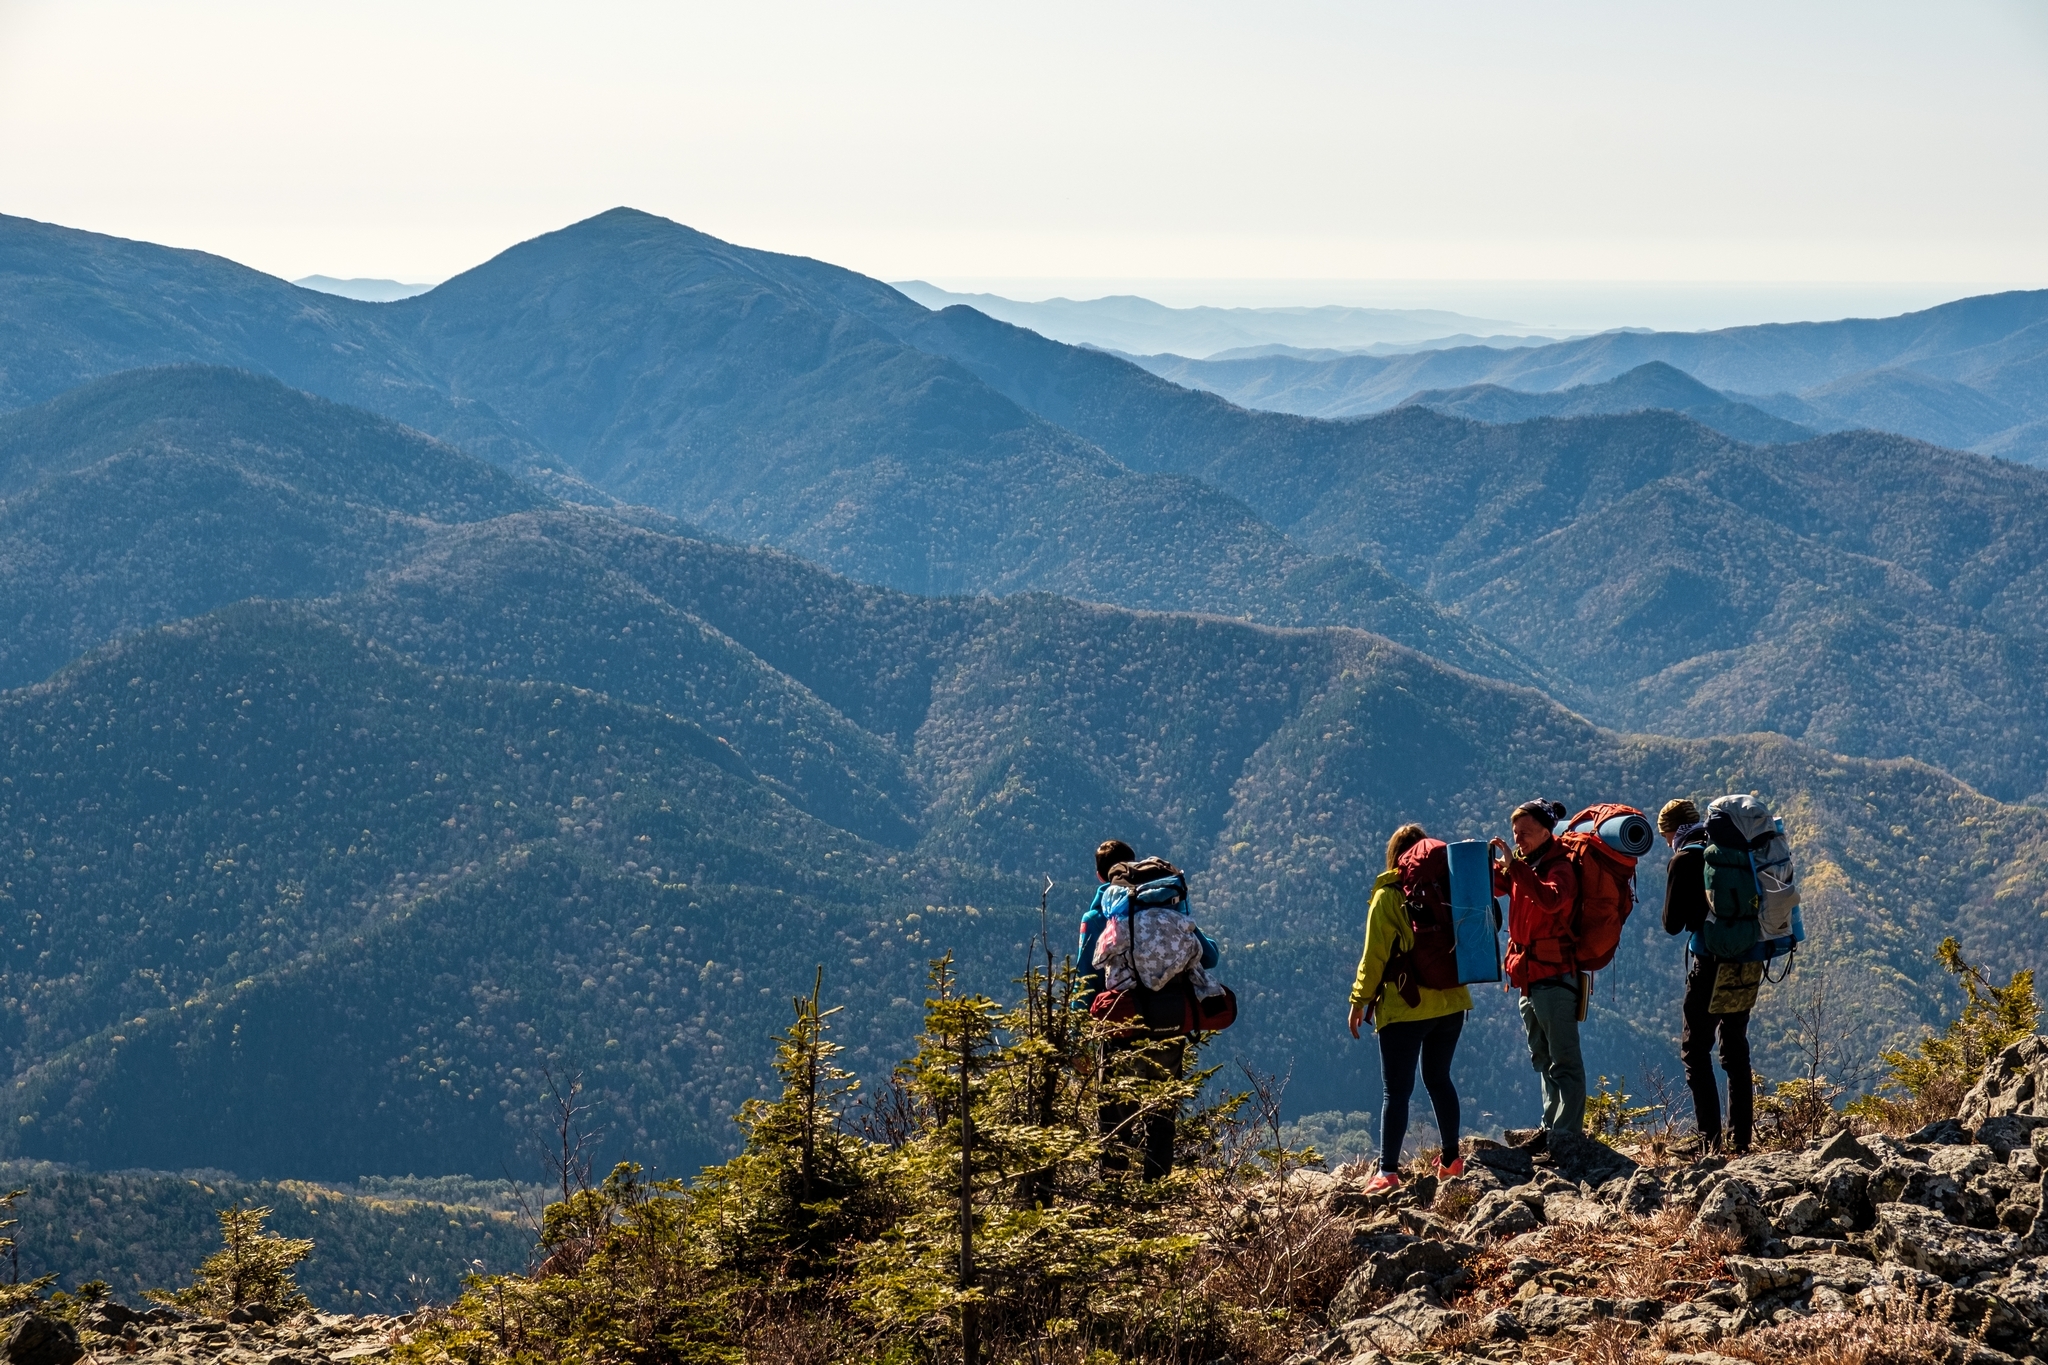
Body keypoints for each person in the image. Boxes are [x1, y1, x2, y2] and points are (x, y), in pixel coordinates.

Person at [1077, 838, 1216, 1180]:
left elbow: (1085, 976)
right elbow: (1210, 956)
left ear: (1099, 876)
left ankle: (1113, 1195)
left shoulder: (1099, 916)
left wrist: (1077, 1035)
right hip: (1170, 1021)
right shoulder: (1167, 907)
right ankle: (1157, 1193)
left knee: (1114, 1113)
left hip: (1121, 1025)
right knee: (1162, 1110)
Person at [1348, 822, 1472, 1193]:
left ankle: (1387, 1171)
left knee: (1396, 1091)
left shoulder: (1388, 896)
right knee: (1439, 1079)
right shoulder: (1451, 887)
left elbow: (1374, 957)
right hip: (1452, 1002)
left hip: (1406, 1007)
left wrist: (1359, 1000)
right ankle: (1452, 1160)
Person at [1659, 797, 1754, 1153]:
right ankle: (1741, 1140)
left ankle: (1708, 1142)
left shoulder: (1684, 858)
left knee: (1695, 1051)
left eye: (1666, 835)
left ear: (1672, 831)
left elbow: (1672, 925)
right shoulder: (1727, 848)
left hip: (1709, 964)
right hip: (1747, 960)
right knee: (1735, 1048)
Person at [1491, 798, 1585, 1142]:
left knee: (1564, 1061)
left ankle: (1567, 1136)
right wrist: (1484, 863)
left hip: (1555, 977)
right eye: (1515, 834)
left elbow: (1550, 899)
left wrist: (1515, 867)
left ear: (1547, 832)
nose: (1519, 840)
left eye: (1525, 834)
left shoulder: (1561, 867)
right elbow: (1498, 885)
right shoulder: (1527, 865)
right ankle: (1551, 1129)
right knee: (1543, 1059)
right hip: (1528, 979)